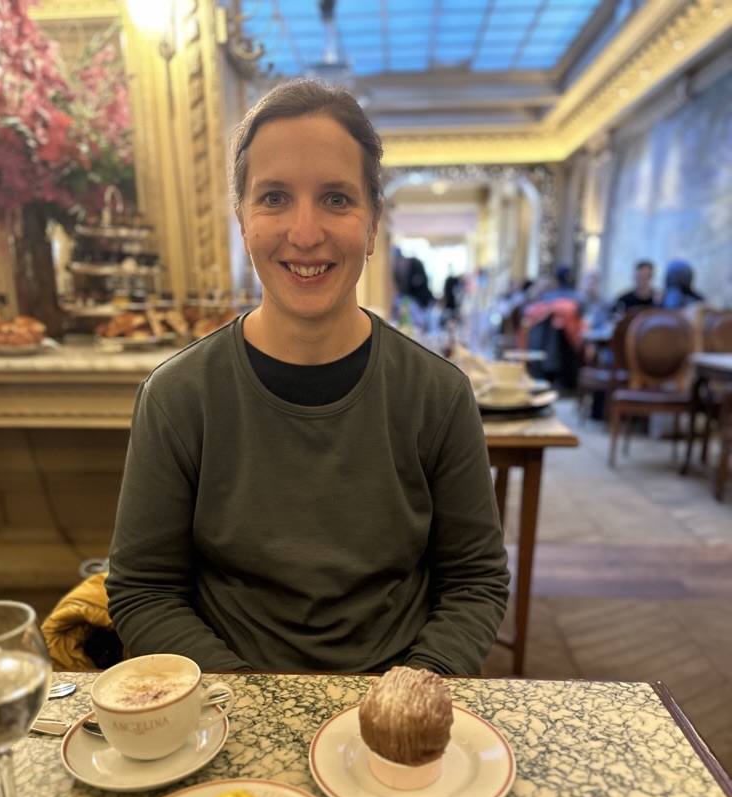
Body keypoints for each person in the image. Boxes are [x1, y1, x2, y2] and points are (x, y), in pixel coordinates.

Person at [105, 79, 509, 678]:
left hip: (395, 696)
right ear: (243, 220)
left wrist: (411, 689)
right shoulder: (177, 398)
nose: (304, 232)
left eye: (336, 199)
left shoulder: (439, 395)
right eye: (274, 198)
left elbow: (475, 581)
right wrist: (247, 699)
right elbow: (143, 590)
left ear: (372, 225)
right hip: (230, 702)